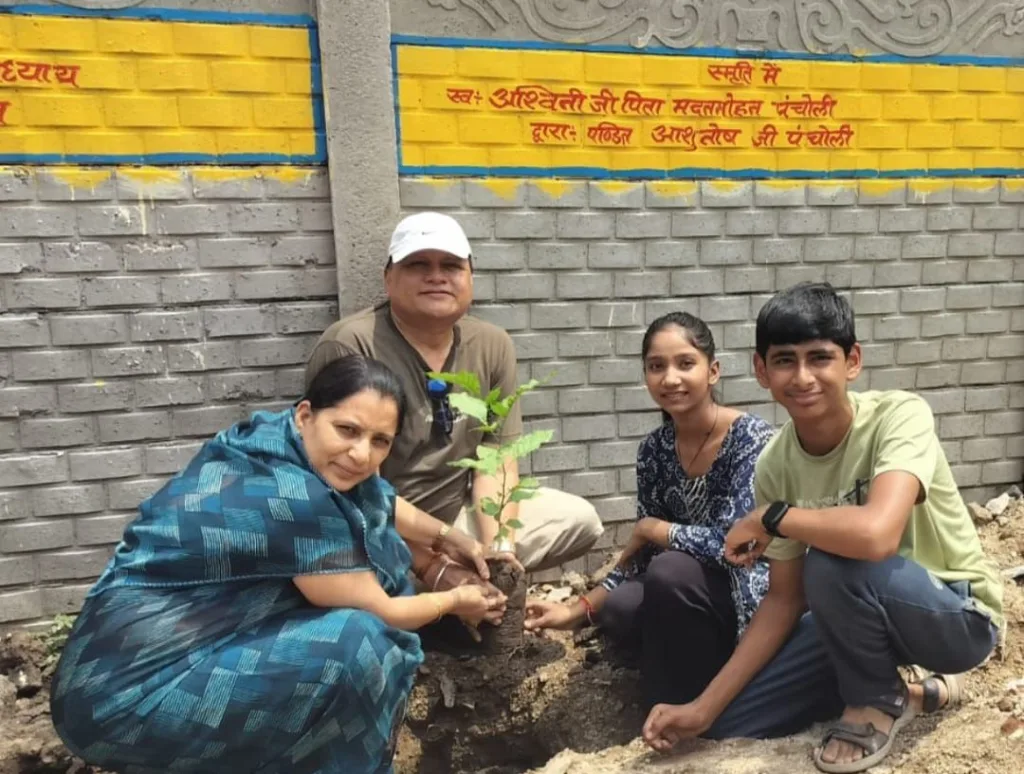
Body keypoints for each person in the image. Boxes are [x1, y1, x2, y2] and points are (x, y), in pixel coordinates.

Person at [51, 355, 508, 774]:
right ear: (306, 414)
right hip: (125, 703)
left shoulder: (269, 440)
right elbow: (381, 612)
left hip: (121, 674)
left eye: (380, 441)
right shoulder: (293, 499)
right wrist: (454, 600)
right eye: (347, 430)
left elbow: (381, 501)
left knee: (364, 566)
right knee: (360, 644)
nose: (361, 454)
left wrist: (452, 538)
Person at [643, 283, 1003, 774]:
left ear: (851, 361)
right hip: (852, 616)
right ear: (761, 370)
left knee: (833, 556)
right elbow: (784, 600)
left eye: (820, 358)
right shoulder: (776, 465)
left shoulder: (899, 416)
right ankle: (917, 694)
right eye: (786, 360)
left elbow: (876, 535)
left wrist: (773, 517)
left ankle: (872, 703)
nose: (804, 376)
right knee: (733, 723)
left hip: (953, 614)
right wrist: (702, 709)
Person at [305, 212, 603, 572]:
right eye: (418, 264)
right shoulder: (351, 344)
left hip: (458, 517)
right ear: (389, 279)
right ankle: (430, 590)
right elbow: (341, 484)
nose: (436, 276)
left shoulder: (491, 345)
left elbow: (496, 459)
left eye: (451, 265)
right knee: (353, 566)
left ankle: (470, 581)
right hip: (377, 525)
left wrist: (499, 547)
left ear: (470, 278)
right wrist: (433, 563)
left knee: (578, 519)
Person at [524, 312, 775, 711]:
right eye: (657, 367)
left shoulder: (751, 439)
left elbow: (740, 545)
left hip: (746, 593)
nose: (670, 378)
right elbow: (642, 556)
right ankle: (676, 688)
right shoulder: (654, 449)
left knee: (670, 570)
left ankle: (684, 705)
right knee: (623, 606)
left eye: (685, 364)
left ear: (713, 371)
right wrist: (575, 610)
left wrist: (657, 529)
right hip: (684, 590)